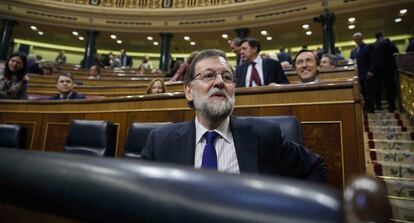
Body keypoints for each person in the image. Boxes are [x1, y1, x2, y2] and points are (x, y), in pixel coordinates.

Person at [141, 49, 327, 182]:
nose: (220, 83)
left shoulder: (265, 135)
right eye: (208, 76)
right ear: (189, 91)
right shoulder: (161, 142)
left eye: (228, 77)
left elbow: (315, 166)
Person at [370, 32, 399, 112]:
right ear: (382, 36)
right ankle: (391, 107)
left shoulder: (373, 45)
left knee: (377, 88)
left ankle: (378, 106)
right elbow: (396, 50)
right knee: (389, 87)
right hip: (388, 68)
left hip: (376, 69)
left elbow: (372, 58)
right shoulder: (386, 41)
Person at [350, 32, 374, 112]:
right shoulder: (353, 51)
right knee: (361, 92)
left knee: (368, 92)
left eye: (358, 38)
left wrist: (370, 71)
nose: (357, 40)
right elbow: (352, 61)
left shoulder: (368, 47)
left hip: (367, 74)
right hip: (357, 75)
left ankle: (371, 108)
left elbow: (372, 60)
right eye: (355, 39)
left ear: (362, 38)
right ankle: (365, 108)